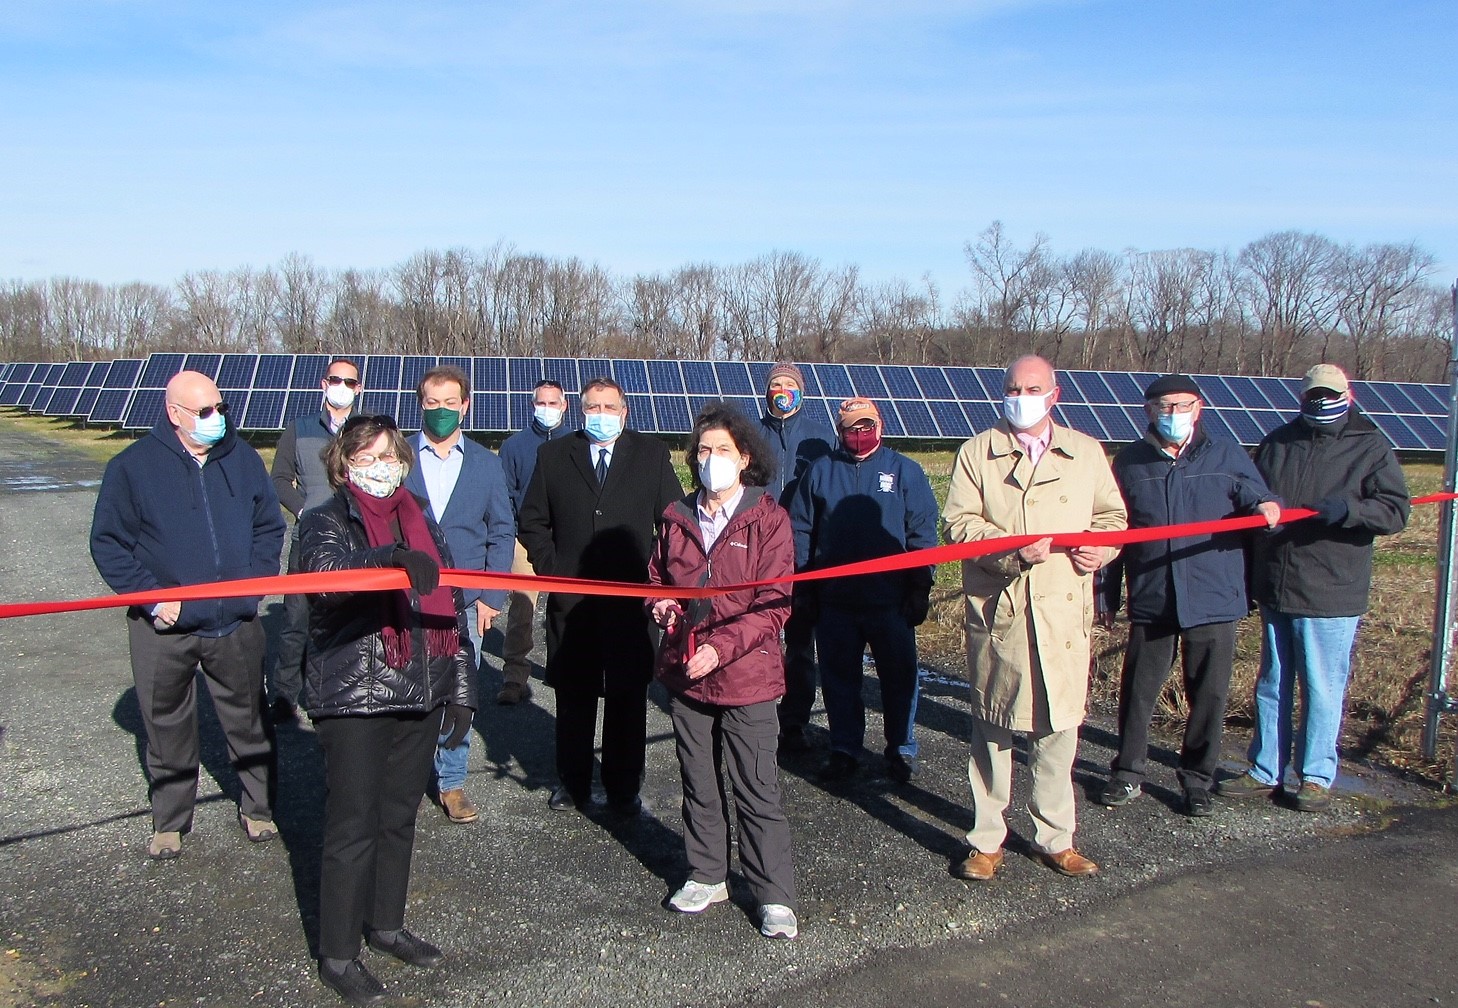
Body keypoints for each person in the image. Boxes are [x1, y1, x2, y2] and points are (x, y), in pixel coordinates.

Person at [298, 414, 477, 1006]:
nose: (381, 468)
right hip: (357, 694)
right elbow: (324, 584)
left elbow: (446, 605)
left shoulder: (420, 516)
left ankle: (386, 924)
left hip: (421, 689)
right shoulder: (324, 520)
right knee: (353, 824)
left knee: (400, 816)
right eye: (367, 457)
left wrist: (460, 687)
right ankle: (339, 953)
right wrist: (386, 560)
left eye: (389, 455)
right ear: (344, 466)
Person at [942, 354, 1126, 881]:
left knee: (1058, 730)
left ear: (1054, 394)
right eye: (1013, 388)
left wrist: (1103, 550)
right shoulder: (978, 452)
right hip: (1004, 611)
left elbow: (1112, 519)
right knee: (993, 730)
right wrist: (1013, 552)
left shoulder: (1086, 453)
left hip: (1064, 616)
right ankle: (986, 840)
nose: (1021, 396)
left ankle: (1055, 839)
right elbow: (959, 524)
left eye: (1032, 388)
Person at [90, 369, 285, 860]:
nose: (216, 418)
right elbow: (109, 544)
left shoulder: (240, 459)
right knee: (166, 725)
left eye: (220, 407)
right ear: (173, 414)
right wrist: (153, 597)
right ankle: (171, 820)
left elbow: (268, 525)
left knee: (249, 719)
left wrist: (255, 583)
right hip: (163, 627)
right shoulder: (132, 468)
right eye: (204, 412)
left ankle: (259, 809)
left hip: (235, 622)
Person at [1220, 364, 1410, 812]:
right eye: (1313, 397)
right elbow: (1252, 492)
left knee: (1322, 686)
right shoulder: (1278, 442)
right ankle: (1265, 768)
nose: (1321, 404)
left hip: (1331, 586)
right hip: (1278, 581)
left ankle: (1316, 774)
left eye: (1329, 395)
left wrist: (1346, 509)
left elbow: (1395, 511)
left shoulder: (1370, 446)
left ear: (1349, 395)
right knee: (1273, 681)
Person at [1096, 374, 1282, 818]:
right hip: (1154, 592)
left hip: (1212, 595)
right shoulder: (1130, 463)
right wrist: (1107, 593)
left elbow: (1257, 496)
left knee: (1209, 693)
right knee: (1139, 689)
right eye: (1163, 406)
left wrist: (1266, 506)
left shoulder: (1225, 455)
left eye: (1182, 406)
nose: (1173, 414)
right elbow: (1111, 528)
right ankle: (1127, 773)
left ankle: (1197, 778)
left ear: (1198, 408)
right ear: (1148, 411)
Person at [647, 402, 799, 940]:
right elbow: (659, 580)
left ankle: (772, 892)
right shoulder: (675, 517)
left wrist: (724, 647)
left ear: (745, 458)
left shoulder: (769, 520)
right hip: (686, 673)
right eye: (704, 451)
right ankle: (707, 873)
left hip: (747, 676)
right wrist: (662, 607)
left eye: (723, 451)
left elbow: (774, 602)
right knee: (699, 780)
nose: (711, 459)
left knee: (755, 784)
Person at [517, 376, 683, 814]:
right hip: (573, 603)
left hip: (632, 601)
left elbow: (672, 521)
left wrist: (659, 578)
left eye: (610, 407)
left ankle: (624, 787)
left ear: (625, 412)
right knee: (575, 697)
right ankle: (572, 783)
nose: (602, 415)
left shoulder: (651, 454)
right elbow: (533, 520)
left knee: (628, 698)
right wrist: (553, 568)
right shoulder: (553, 456)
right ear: (580, 410)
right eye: (593, 407)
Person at [789, 397, 939, 784]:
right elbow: (801, 530)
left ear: (880, 426)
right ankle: (844, 748)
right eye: (851, 428)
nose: (859, 434)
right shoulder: (821, 472)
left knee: (900, 677)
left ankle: (901, 749)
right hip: (835, 602)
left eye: (866, 425)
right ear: (839, 433)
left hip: (891, 601)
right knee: (840, 678)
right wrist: (802, 588)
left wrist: (920, 585)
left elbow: (921, 531)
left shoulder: (905, 471)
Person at [402, 365, 515, 824]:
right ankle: (406, 779)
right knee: (405, 691)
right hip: (406, 599)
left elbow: (501, 531)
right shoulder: (399, 457)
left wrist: (491, 595)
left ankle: (451, 782)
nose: (443, 410)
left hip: (465, 603)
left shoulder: (488, 465)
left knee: (459, 694)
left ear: (466, 406)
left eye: (452, 402)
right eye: (433, 402)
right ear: (421, 404)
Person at [269, 357, 361, 725]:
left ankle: (334, 691)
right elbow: (279, 479)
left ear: (359, 389)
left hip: (354, 539)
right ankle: (284, 694)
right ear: (323, 383)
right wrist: (302, 509)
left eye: (349, 382)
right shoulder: (299, 428)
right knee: (296, 619)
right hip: (308, 537)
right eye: (335, 379)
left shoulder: (366, 429)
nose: (341, 386)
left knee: (348, 621)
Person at [756, 361, 837, 752]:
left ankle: (794, 718)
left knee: (800, 639)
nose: (782, 390)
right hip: (757, 551)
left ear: (802, 391)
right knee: (756, 633)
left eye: (790, 384)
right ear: (766, 391)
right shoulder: (750, 435)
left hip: (805, 553)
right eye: (776, 384)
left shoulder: (821, 441)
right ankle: (754, 709)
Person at [496, 379, 570, 705]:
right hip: (525, 539)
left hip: (567, 537)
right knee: (522, 608)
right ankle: (514, 675)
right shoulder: (514, 447)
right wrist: (514, 534)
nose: (547, 409)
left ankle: (567, 668)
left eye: (553, 403)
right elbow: (504, 495)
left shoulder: (577, 443)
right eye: (542, 403)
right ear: (532, 405)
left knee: (570, 606)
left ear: (564, 406)